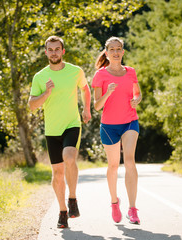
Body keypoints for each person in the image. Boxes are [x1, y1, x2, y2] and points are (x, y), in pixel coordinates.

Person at [28, 36, 91, 228]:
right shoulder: (40, 76)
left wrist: (86, 109)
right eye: (50, 49)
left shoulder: (75, 71)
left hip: (72, 123)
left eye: (57, 49)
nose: (54, 52)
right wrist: (46, 94)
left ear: (63, 51)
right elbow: (31, 105)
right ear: (45, 52)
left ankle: (72, 198)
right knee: (57, 172)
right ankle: (63, 211)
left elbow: (85, 89)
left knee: (69, 157)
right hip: (52, 129)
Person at [91, 37, 142, 224]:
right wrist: (108, 93)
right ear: (106, 53)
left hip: (130, 121)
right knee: (113, 165)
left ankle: (133, 209)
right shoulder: (100, 75)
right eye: (111, 49)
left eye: (118, 48)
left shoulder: (131, 72)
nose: (115, 52)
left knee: (129, 161)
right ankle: (114, 202)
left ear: (123, 51)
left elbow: (137, 93)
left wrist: (137, 99)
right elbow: (96, 106)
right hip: (109, 126)